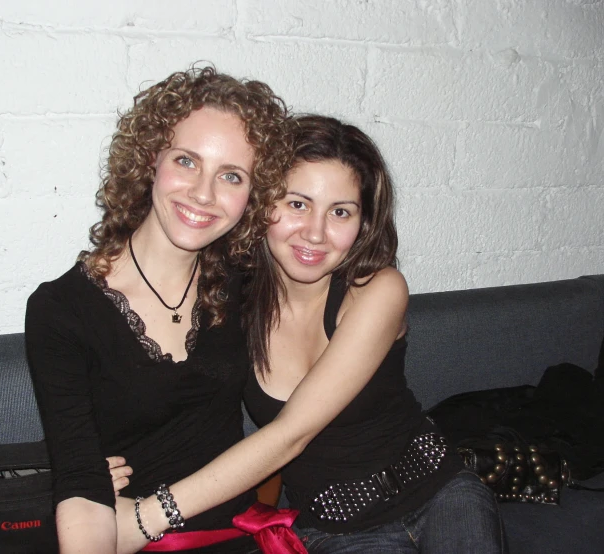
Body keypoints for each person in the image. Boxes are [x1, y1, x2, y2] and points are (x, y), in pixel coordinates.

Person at [113, 115, 507, 553]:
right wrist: (98, 464)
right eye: (297, 204)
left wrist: (145, 518)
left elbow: (292, 434)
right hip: (334, 531)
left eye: (340, 212)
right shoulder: (230, 308)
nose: (316, 233)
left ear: (363, 223)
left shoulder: (376, 290)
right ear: (262, 203)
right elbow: (164, 392)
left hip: (440, 492)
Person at [25, 65, 293, 554]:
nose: (203, 194)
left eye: (230, 175)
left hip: (238, 537)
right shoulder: (60, 311)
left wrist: (386, 297)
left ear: (252, 195)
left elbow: (334, 271)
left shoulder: (248, 279)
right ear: (151, 158)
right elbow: (81, 484)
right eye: (187, 161)